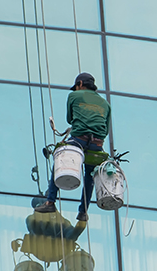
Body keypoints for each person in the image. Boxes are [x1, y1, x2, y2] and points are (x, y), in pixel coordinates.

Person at [34, 73, 111, 222]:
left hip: (78, 140)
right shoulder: (105, 104)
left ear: (80, 83)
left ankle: (50, 202)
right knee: (89, 177)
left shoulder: (74, 96)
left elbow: (70, 119)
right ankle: (83, 212)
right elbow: (106, 130)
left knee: (59, 157)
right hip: (97, 145)